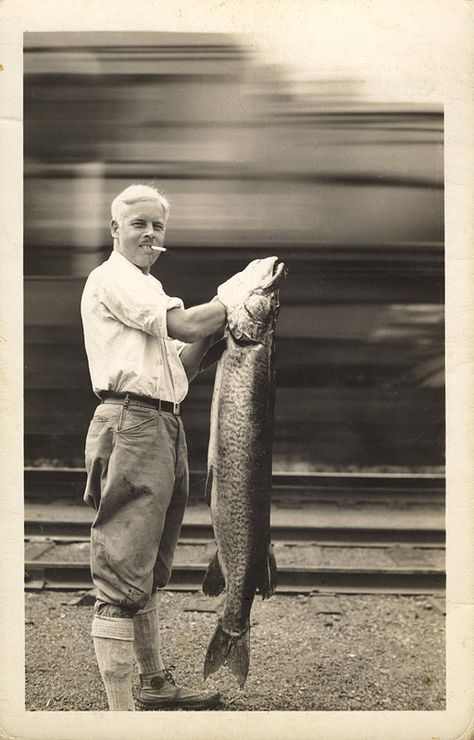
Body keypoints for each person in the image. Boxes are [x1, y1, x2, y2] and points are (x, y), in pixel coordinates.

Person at [80, 183, 241, 711]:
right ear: (115, 230)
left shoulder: (147, 285)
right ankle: (121, 716)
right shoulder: (114, 279)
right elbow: (191, 322)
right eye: (139, 224)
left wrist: (233, 330)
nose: (150, 233)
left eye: (158, 226)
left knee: (147, 567)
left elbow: (185, 362)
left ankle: (153, 686)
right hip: (133, 422)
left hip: (163, 424)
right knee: (123, 573)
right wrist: (235, 299)